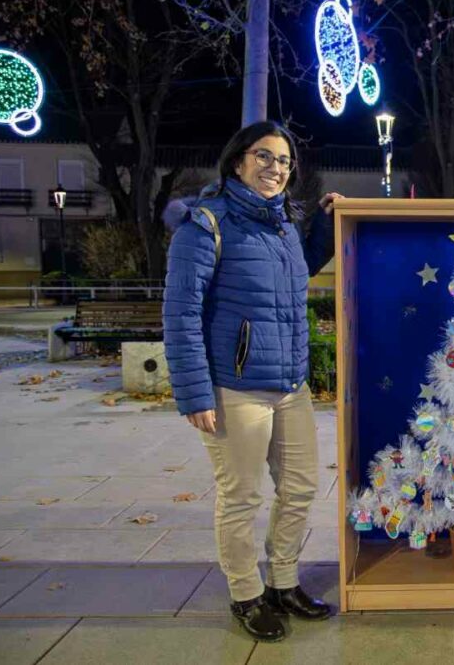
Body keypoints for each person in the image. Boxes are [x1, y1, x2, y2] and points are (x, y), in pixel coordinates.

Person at [163, 121, 342, 642]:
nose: (275, 168)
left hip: (289, 384)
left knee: (300, 488)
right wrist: (195, 393)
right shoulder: (205, 224)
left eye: (284, 161)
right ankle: (246, 593)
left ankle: (283, 583)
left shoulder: (283, 224)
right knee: (241, 496)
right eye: (264, 156)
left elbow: (300, 269)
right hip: (235, 388)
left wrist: (326, 223)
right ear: (238, 161)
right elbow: (180, 314)